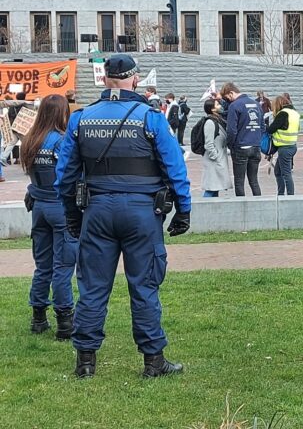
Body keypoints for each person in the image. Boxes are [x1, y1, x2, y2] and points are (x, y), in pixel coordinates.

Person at [55, 54, 191, 378]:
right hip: (142, 213)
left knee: (92, 288)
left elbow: (65, 177)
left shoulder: (82, 118)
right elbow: (175, 168)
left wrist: (73, 216)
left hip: (98, 211)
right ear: (135, 79)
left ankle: (85, 362)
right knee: (144, 286)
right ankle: (153, 361)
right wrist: (183, 209)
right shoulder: (151, 117)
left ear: (103, 80)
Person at [19, 94, 77, 339]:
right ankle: (65, 323)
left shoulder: (30, 140)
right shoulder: (60, 140)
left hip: (39, 207)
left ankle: (38, 317)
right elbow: (69, 174)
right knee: (62, 267)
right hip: (59, 208)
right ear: (61, 113)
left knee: (42, 266)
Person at [220, 82, 265, 197]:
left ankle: (241, 207)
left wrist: (231, 145)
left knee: (239, 181)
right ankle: (259, 204)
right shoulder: (256, 104)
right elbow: (263, 126)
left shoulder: (234, 106)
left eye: (227, 98)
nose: (227, 101)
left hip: (241, 147)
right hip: (255, 146)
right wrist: (256, 141)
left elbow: (231, 130)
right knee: (254, 181)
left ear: (231, 93)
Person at [267, 95, 300, 196]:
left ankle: (290, 196)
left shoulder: (283, 114)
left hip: (284, 147)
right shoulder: (294, 113)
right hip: (292, 145)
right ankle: (281, 194)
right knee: (278, 171)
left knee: (286, 174)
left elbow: (271, 129)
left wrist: (265, 127)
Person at [201, 98, 232, 198]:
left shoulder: (218, 120)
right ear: (213, 109)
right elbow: (208, 143)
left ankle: (211, 211)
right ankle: (204, 209)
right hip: (214, 161)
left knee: (215, 188)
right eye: (218, 105)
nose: (220, 107)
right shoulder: (210, 122)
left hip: (218, 159)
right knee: (211, 188)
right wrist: (215, 156)